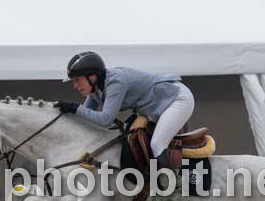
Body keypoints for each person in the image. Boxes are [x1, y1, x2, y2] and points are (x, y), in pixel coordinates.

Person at [55, 51, 195, 170]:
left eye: (77, 80)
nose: (75, 86)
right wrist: (65, 112)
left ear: (92, 76)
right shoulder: (96, 88)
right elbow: (85, 114)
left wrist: (74, 108)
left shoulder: (116, 81)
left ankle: (174, 188)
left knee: (157, 144)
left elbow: (105, 119)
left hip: (177, 99)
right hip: (156, 107)